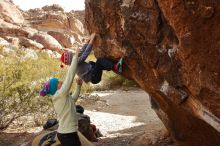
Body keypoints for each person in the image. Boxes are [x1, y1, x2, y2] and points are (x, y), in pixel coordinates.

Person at [39, 48, 92, 146]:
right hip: (67, 134)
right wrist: (75, 57)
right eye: (58, 82)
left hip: (68, 133)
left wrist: (79, 86)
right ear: (55, 87)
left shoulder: (62, 97)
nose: (61, 82)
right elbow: (70, 76)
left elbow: (73, 99)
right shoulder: (59, 94)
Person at [60, 33, 124, 84]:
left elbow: (82, 52)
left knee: (91, 63)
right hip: (94, 77)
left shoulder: (73, 62)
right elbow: (84, 55)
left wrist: (88, 40)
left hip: (93, 74)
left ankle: (112, 67)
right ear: (70, 58)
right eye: (70, 54)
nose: (72, 53)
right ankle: (115, 67)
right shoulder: (75, 62)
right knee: (99, 62)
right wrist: (91, 41)